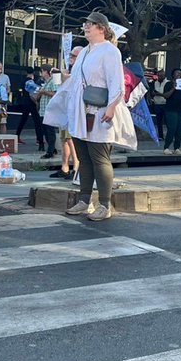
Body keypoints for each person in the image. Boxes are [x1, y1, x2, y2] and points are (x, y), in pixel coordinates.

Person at [50, 12, 137, 221]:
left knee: (100, 158)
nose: (86, 27)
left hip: (99, 111)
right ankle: (84, 200)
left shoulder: (110, 51)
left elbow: (116, 83)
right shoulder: (84, 52)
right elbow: (77, 80)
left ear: (101, 28)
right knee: (84, 158)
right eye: (86, 24)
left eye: (91, 24)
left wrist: (111, 108)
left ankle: (105, 204)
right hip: (80, 111)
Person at [47, 47, 81, 180]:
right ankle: (65, 167)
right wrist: (57, 75)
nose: (70, 57)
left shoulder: (80, 69)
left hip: (73, 109)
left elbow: (72, 81)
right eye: (70, 55)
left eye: (73, 55)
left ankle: (76, 168)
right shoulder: (70, 70)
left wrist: (62, 75)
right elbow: (59, 85)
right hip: (65, 108)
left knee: (71, 140)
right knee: (64, 140)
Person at [35, 64, 60, 159]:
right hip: (43, 110)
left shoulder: (53, 81)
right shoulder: (45, 83)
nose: (41, 73)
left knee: (50, 131)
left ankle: (50, 151)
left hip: (50, 110)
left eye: (42, 71)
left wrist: (44, 92)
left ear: (46, 72)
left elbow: (56, 93)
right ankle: (52, 149)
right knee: (45, 130)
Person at [161, 68, 181, 153]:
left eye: (180, 73)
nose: (179, 75)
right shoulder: (168, 84)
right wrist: (174, 88)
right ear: (173, 75)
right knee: (172, 128)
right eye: (177, 73)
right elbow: (165, 96)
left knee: (180, 129)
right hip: (171, 109)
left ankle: (177, 148)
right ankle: (166, 147)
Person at [15, 68, 43, 148]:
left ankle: (17, 136)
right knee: (37, 121)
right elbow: (32, 94)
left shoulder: (23, 81)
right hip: (31, 103)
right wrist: (36, 102)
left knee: (23, 120)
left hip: (24, 102)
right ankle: (39, 139)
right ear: (33, 73)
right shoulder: (30, 82)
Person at [149, 69, 167, 142]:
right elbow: (152, 92)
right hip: (157, 104)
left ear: (164, 76)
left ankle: (169, 136)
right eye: (158, 75)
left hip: (165, 104)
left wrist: (157, 94)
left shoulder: (167, 83)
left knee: (167, 121)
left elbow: (166, 94)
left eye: (161, 76)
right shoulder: (154, 83)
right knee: (159, 121)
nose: (159, 77)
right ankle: (160, 136)